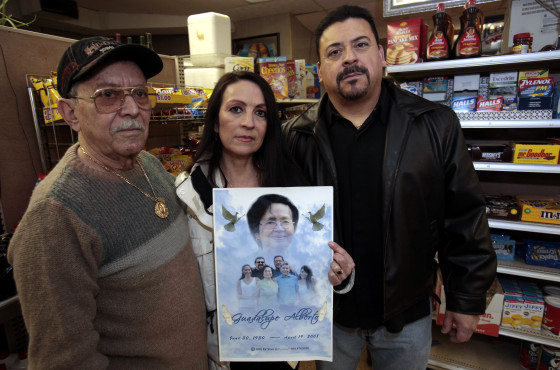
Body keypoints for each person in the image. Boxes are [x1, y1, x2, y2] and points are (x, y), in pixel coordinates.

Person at [282, 5, 497, 370]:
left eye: (361, 45)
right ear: (320, 71)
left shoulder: (434, 125)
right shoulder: (295, 137)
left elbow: (464, 216)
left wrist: (466, 298)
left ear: (382, 56)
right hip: (327, 315)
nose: (349, 58)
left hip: (406, 314)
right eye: (334, 52)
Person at [7, 36, 207, 368]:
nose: (131, 109)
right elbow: (65, 360)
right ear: (70, 113)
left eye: (140, 93)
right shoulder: (55, 216)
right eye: (108, 95)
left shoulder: (150, 165)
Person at [175, 71, 356, 370]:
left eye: (260, 113)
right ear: (215, 120)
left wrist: (339, 276)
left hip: (283, 349)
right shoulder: (189, 194)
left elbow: (313, 272)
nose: (248, 122)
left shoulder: (292, 187)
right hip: (220, 353)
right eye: (236, 109)